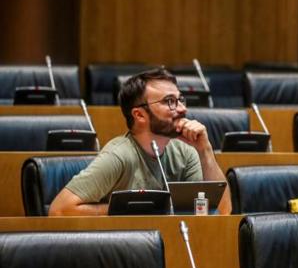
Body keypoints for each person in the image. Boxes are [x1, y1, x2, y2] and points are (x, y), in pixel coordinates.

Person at [49, 67, 231, 216]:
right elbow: (59, 211)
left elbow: (221, 212)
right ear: (139, 115)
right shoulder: (119, 155)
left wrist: (205, 150)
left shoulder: (186, 151)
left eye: (180, 100)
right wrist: (131, 211)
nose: (182, 109)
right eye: (169, 101)